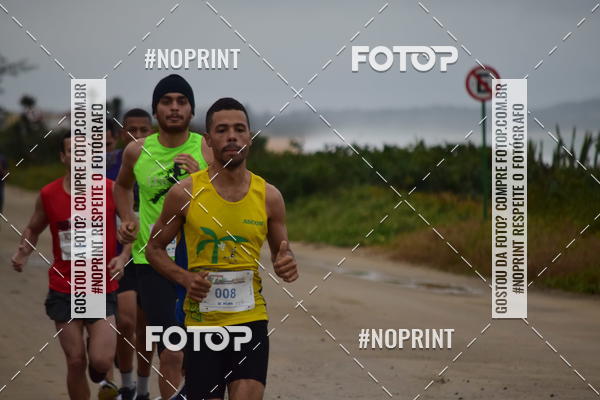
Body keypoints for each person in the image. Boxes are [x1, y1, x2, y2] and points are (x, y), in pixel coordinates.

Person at [146, 97, 299, 400]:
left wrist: (287, 262)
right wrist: (185, 279)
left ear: (250, 137)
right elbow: (154, 249)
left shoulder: (269, 196)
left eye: (239, 129)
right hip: (203, 325)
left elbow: (282, 253)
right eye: (222, 130)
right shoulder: (184, 193)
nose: (232, 136)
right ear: (208, 139)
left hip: (250, 319)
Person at [11, 133, 129, 400]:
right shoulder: (49, 194)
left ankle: (98, 360)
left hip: (100, 286)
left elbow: (132, 227)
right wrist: (23, 251)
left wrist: (123, 257)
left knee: (101, 360)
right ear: (63, 157)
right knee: (75, 361)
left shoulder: (111, 190)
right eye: (73, 151)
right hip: (64, 288)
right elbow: (33, 228)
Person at [115, 74, 212, 399]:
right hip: (151, 263)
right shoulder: (136, 151)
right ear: (155, 110)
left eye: (181, 102)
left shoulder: (206, 148)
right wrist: (128, 217)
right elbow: (122, 186)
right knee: (171, 349)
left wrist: (200, 176)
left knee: (198, 351)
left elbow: (225, 198)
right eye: (166, 101)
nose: (174, 108)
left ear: (191, 110)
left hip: (197, 261)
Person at [106, 109, 154, 400]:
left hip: (152, 253)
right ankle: (125, 384)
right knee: (125, 322)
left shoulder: (162, 160)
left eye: (143, 130)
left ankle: (143, 390)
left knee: (146, 326)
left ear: (152, 131)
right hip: (117, 253)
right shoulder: (109, 164)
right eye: (131, 130)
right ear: (122, 132)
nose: (137, 135)